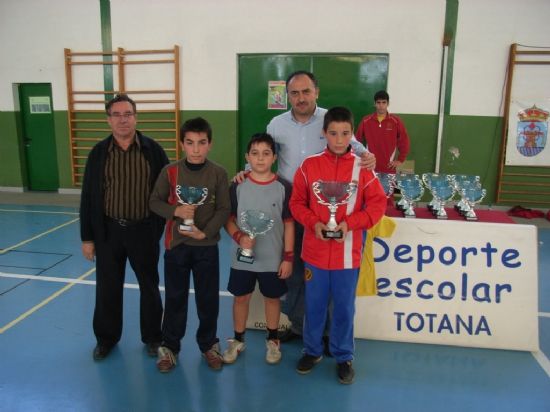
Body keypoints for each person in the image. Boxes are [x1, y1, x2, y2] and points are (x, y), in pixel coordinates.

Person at [264, 71, 376, 345]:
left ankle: (327, 334)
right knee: (294, 271)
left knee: (327, 276)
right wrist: (245, 173)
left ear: (317, 92)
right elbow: (263, 154)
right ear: (287, 95)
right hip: (291, 208)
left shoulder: (330, 121)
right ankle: (299, 326)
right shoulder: (276, 125)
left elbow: (356, 148)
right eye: (294, 93)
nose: (300, 98)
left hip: (327, 212)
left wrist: (367, 156)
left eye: (306, 92)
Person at [289, 106, 386, 384]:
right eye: (333, 133)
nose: (339, 140)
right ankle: (312, 350)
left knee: (344, 308)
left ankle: (344, 356)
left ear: (351, 134)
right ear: (324, 133)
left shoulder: (363, 167)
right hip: (315, 252)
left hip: (348, 254)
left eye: (345, 133)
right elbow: (296, 203)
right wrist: (314, 223)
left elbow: (378, 205)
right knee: (314, 305)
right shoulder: (309, 166)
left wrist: (350, 224)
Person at [80, 94, 168, 361]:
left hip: (144, 230)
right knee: (107, 288)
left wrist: (156, 228)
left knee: (149, 287)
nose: (122, 119)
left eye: (127, 113)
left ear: (135, 117)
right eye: (116, 114)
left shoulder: (153, 150)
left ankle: (153, 337)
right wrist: (88, 238)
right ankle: (106, 339)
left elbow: (166, 194)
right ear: (108, 120)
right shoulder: (98, 153)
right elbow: (88, 197)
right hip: (108, 232)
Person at [149, 117, 231, 372]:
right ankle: (170, 346)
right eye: (190, 143)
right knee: (175, 298)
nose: (196, 149)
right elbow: (154, 202)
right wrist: (176, 211)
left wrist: (204, 233)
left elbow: (224, 208)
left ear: (209, 144)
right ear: (182, 144)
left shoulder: (218, 172)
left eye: (201, 143)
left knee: (208, 299)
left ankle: (208, 344)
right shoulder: (170, 171)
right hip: (177, 247)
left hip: (206, 247)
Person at [223, 133, 294, 365]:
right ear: (247, 157)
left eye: (266, 154)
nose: (260, 159)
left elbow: (289, 224)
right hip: (242, 258)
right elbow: (228, 219)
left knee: (272, 299)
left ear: (274, 157)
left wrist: (288, 257)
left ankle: (273, 340)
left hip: (273, 259)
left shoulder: (284, 186)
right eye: (255, 153)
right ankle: (238, 339)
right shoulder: (237, 185)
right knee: (241, 297)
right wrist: (239, 236)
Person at [355, 90, 410, 173]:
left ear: (388, 104)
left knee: (388, 186)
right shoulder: (366, 120)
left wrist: (400, 160)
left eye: (384, 102)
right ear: (375, 104)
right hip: (370, 167)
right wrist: (360, 157)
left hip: (389, 168)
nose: (381, 106)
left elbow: (404, 141)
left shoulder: (396, 121)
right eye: (378, 102)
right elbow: (357, 141)